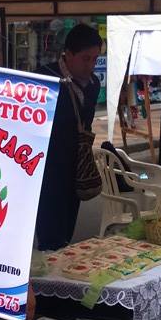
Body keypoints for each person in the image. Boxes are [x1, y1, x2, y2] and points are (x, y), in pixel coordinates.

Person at [36, 23, 102, 250]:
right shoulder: (45, 79)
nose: (90, 65)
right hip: (48, 169)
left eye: (95, 59)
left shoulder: (94, 84)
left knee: (67, 229)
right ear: (69, 54)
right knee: (50, 233)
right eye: (85, 59)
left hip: (77, 166)